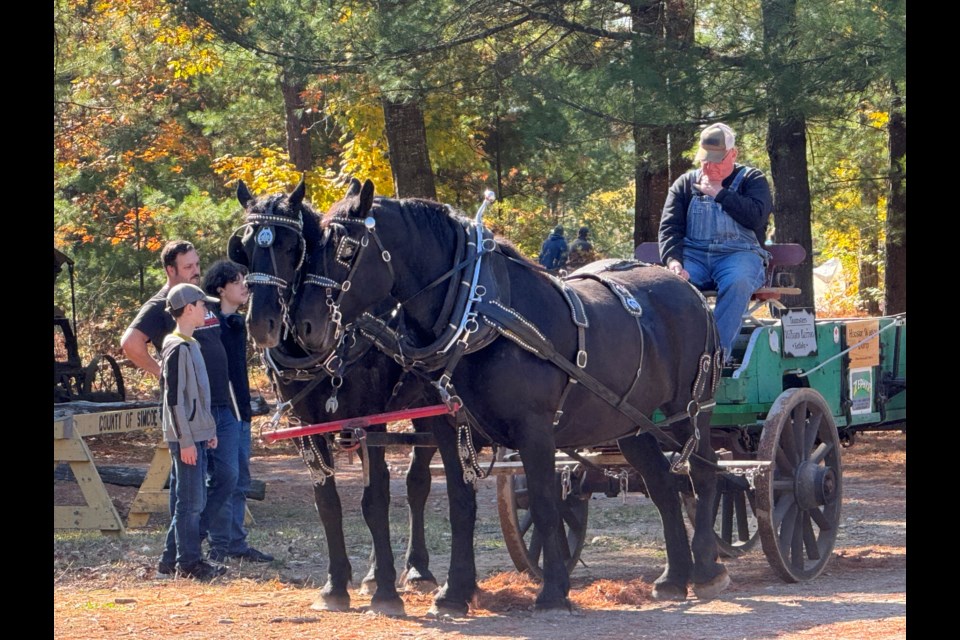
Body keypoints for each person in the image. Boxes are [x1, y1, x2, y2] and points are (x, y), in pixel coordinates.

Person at [120, 241, 272, 574]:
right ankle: (182, 558)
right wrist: (164, 375)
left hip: (213, 411)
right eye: (188, 267)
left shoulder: (196, 310)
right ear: (170, 270)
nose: (196, 271)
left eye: (196, 264)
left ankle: (193, 549)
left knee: (222, 482)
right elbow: (134, 348)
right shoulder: (167, 317)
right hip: (188, 418)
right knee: (188, 496)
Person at [658, 123, 773, 362]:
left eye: (717, 161)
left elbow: (757, 217)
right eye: (705, 161)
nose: (710, 167)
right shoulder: (684, 184)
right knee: (670, 285)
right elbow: (670, 228)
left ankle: (714, 358)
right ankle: (672, 358)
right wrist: (673, 261)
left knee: (738, 282)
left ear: (733, 154)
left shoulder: (752, 179)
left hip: (739, 254)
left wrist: (720, 194)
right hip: (695, 256)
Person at [201, 260, 273, 564]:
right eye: (237, 281)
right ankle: (218, 543)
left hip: (241, 411)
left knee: (241, 480)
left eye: (245, 279)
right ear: (220, 288)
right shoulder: (208, 323)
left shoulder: (238, 324)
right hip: (221, 411)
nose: (244, 286)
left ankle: (236, 543)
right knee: (224, 477)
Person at [158, 283, 226, 580]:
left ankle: (168, 561)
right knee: (190, 503)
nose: (206, 310)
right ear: (188, 309)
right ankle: (188, 564)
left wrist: (206, 429)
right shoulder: (177, 347)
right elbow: (173, 401)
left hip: (195, 435)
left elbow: (197, 396)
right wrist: (186, 440)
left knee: (187, 501)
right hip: (184, 439)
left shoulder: (191, 344)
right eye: (202, 305)